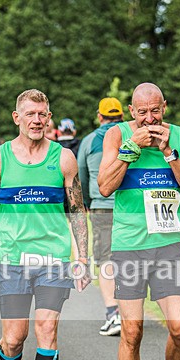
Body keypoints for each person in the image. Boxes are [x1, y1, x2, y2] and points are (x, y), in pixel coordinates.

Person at [0, 89, 90, 360]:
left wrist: (83, 258)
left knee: (47, 328)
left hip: (53, 258)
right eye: (30, 114)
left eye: (42, 114)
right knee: (13, 339)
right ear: (17, 118)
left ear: (49, 117)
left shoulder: (63, 158)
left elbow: (76, 209)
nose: (37, 120)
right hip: (11, 258)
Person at [97, 82, 180, 360]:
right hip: (130, 247)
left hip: (170, 244)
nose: (149, 118)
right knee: (132, 331)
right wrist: (131, 150)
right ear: (131, 112)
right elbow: (105, 186)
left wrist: (170, 154)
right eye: (142, 112)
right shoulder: (117, 135)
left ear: (164, 108)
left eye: (155, 111)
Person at [78, 97, 125, 336]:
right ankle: (131, 311)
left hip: (102, 206)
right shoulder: (130, 134)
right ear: (123, 115)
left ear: (100, 116)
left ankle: (113, 314)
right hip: (130, 206)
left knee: (105, 259)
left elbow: (82, 176)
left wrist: (87, 201)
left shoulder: (89, 141)